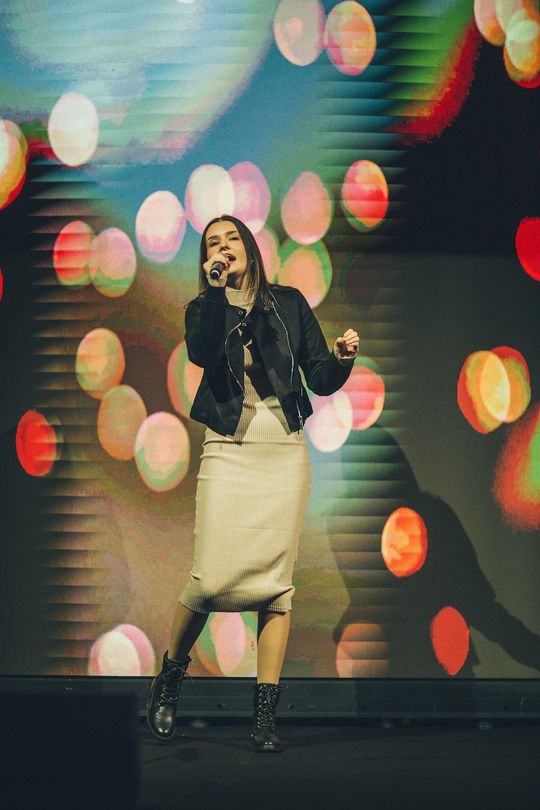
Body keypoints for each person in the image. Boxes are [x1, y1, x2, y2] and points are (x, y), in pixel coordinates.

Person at [147, 214, 359, 752]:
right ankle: (170, 677)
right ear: (207, 261)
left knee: (276, 587)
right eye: (212, 245)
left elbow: (320, 377)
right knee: (208, 581)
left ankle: (264, 715)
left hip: (282, 449)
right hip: (228, 446)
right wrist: (219, 293)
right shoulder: (203, 308)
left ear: (249, 248)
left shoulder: (287, 304)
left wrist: (342, 360)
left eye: (231, 240)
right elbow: (202, 352)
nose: (222, 249)